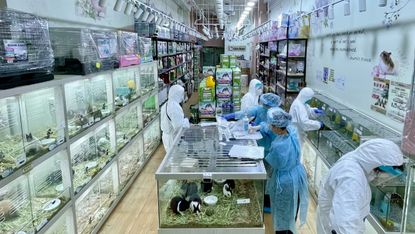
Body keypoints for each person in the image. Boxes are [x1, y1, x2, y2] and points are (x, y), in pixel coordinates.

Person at [317, 139, 404, 234]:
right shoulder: (352, 179)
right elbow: (345, 223)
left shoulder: (356, 160)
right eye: (385, 174)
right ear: (376, 166)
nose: (382, 179)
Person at [264, 108, 309, 234]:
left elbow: (273, 163)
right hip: (297, 175)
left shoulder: (279, 146)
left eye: (272, 125)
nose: (270, 127)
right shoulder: (292, 132)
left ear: (278, 128)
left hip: (284, 182)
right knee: (292, 209)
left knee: (282, 213)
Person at [160, 85, 190, 152]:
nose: (182, 96)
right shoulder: (174, 107)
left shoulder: (166, 104)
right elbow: (179, 126)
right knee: (175, 158)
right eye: (181, 94)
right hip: (172, 138)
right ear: (177, 94)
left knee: (170, 156)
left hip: (167, 136)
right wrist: (186, 121)